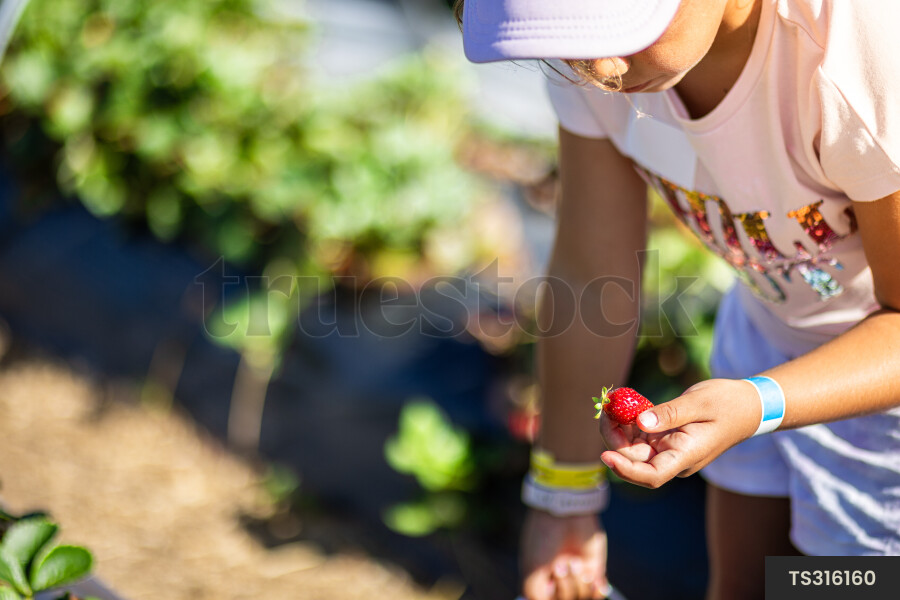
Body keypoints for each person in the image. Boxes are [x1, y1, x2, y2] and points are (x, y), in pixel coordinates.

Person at [456, 0, 900, 599]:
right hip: (766, 344)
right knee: (746, 587)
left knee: (834, 587)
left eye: (624, 29)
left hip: (875, 388)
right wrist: (564, 497)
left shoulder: (859, 59)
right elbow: (593, 275)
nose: (605, 68)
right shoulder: (590, 59)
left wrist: (762, 403)